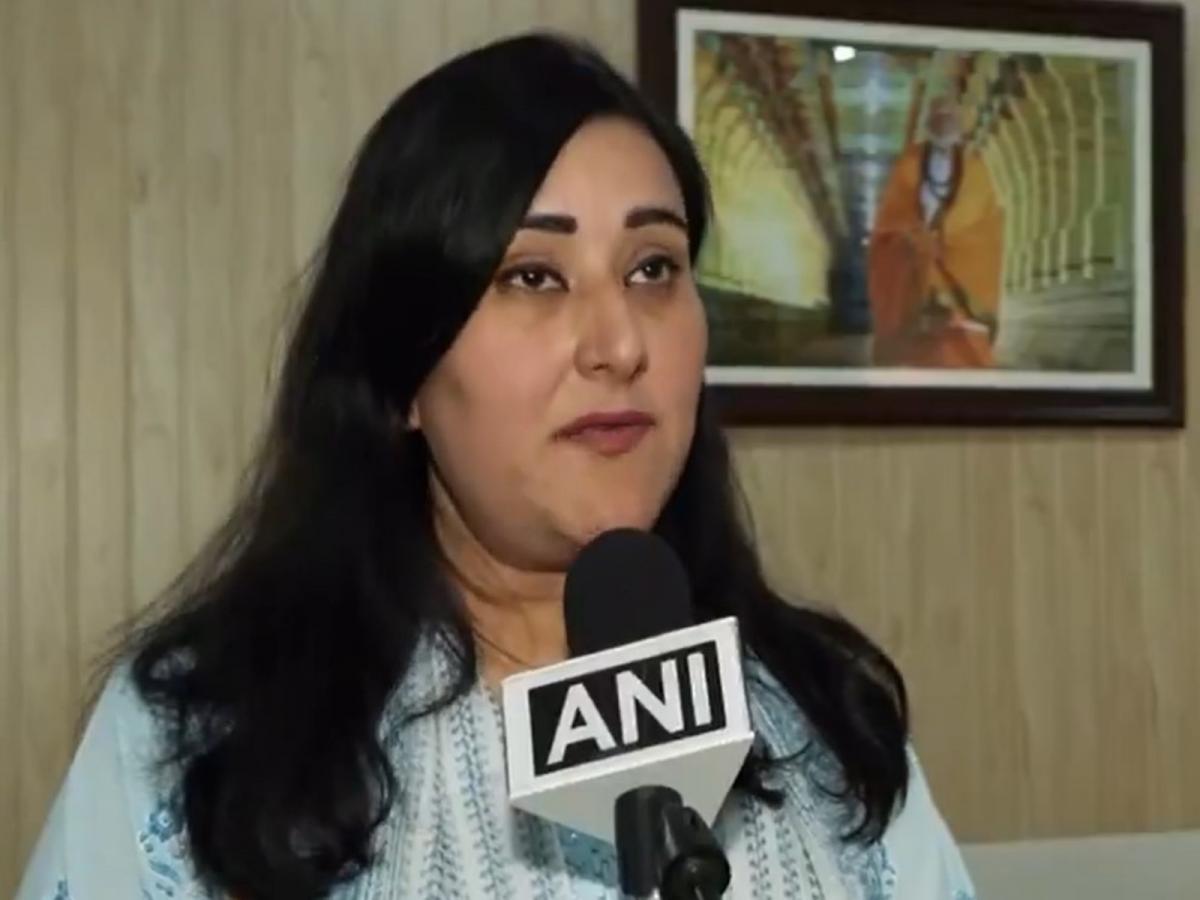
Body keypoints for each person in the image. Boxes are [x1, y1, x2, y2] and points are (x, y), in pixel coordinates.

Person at [18, 34, 975, 900]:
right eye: (533, 277)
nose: (619, 344)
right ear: (405, 372)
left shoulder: (822, 724)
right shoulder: (203, 739)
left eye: (653, 268)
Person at [868, 91, 1006, 368]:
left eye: (950, 116)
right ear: (928, 123)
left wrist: (946, 237)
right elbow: (890, 219)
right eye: (938, 117)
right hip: (914, 266)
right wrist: (912, 237)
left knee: (959, 350)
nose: (944, 122)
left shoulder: (975, 169)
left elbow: (984, 223)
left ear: (960, 123)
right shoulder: (908, 163)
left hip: (959, 271)